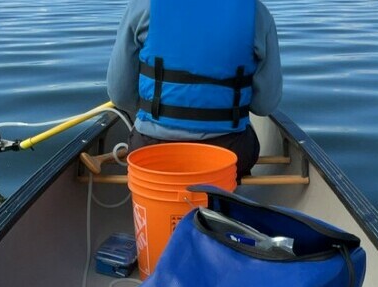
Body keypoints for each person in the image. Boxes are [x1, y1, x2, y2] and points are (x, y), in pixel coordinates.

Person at [107, 0, 282, 179]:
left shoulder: (142, 6)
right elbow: (264, 105)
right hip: (229, 150)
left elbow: (121, 95)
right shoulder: (258, 12)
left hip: (151, 149)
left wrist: (158, 110)